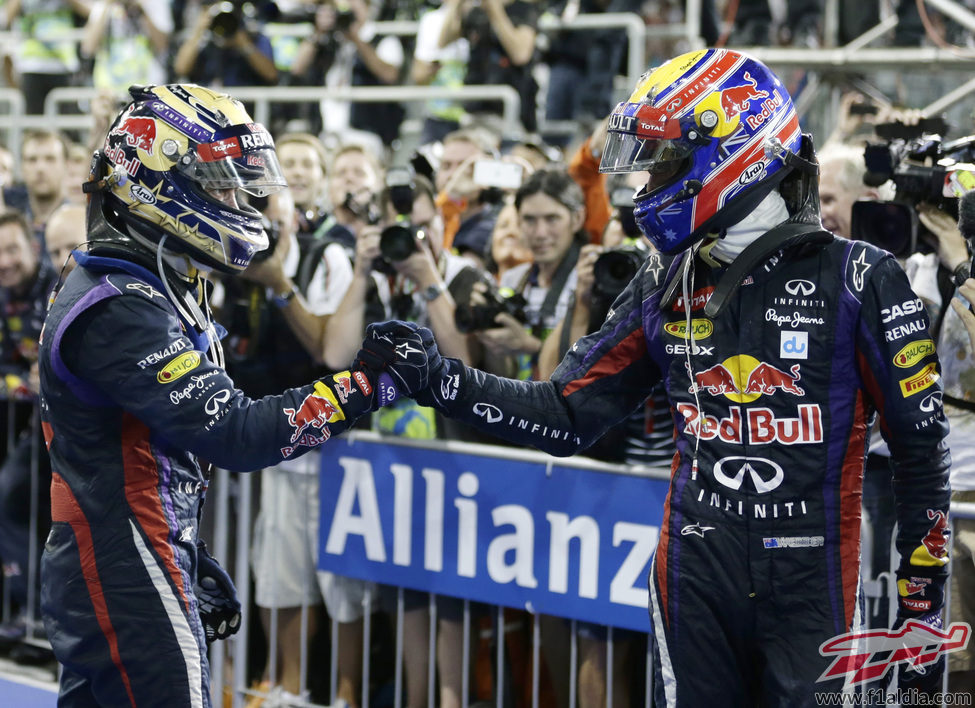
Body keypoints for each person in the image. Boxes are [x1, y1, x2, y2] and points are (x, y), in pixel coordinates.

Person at [359, 48, 954, 704]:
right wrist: (440, 378)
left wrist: (920, 612)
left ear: (734, 148)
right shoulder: (660, 278)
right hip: (692, 580)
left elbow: (921, 457)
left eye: (663, 162)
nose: (644, 187)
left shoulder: (861, 276)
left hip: (817, 587)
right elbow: (566, 413)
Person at [37, 83, 428, 707]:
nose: (236, 198)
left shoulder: (149, 278)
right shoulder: (119, 305)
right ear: (158, 180)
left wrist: (185, 543)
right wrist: (364, 385)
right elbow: (236, 433)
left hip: (135, 548)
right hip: (123, 557)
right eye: (217, 183)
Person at [0, 208, 57, 645]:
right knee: (14, 499)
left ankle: (45, 615)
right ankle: (29, 610)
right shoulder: (2, 297)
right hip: (34, 424)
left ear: (32, 248)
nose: (5, 261)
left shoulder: (57, 287)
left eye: (12, 249)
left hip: (73, 424)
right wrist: (27, 381)